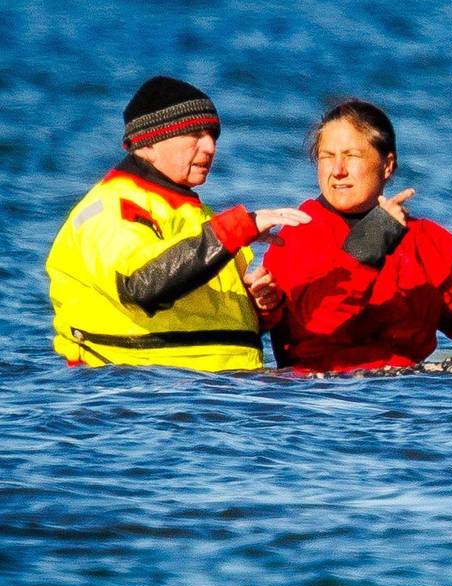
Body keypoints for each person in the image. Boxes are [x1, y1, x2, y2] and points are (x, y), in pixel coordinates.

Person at [46, 75, 310, 370]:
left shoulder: (202, 216)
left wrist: (260, 307)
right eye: (194, 134)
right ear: (147, 144)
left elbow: (208, 323)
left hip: (224, 394)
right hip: (141, 393)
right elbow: (144, 284)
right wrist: (238, 228)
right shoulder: (108, 207)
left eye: (212, 135)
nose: (210, 147)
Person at [262, 99, 452, 372]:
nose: (337, 170)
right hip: (323, 398)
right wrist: (370, 245)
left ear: (387, 165)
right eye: (327, 156)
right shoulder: (296, 235)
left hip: (407, 397)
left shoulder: (423, 238)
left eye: (351, 156)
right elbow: (318, 323)